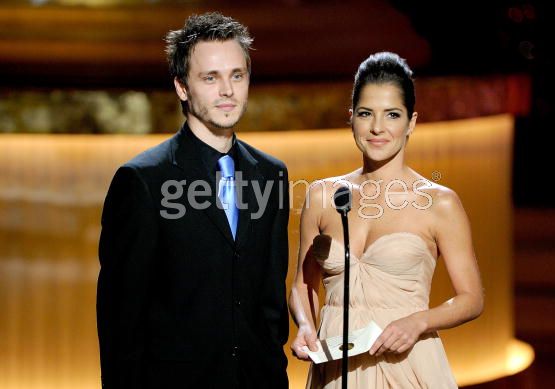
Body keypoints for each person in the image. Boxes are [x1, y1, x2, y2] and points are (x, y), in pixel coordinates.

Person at [97, 12, 289, 389]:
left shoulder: (271, 174)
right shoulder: (143, 180)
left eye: (237, 75)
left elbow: (269, 300)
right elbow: (121, 316)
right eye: (210, 78)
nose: (227, 91)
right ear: (182, 87)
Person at [289, 52, 484, 388]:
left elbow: (472, 297)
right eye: (366, 114)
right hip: (337, 371)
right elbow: (302, 285)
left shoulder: (440, 203)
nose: (377, 127)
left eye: (392, 115)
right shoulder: (321, 196)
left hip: (409, 367)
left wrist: (419, 322)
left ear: (411, 122)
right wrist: (306, 326)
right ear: (351, 118)